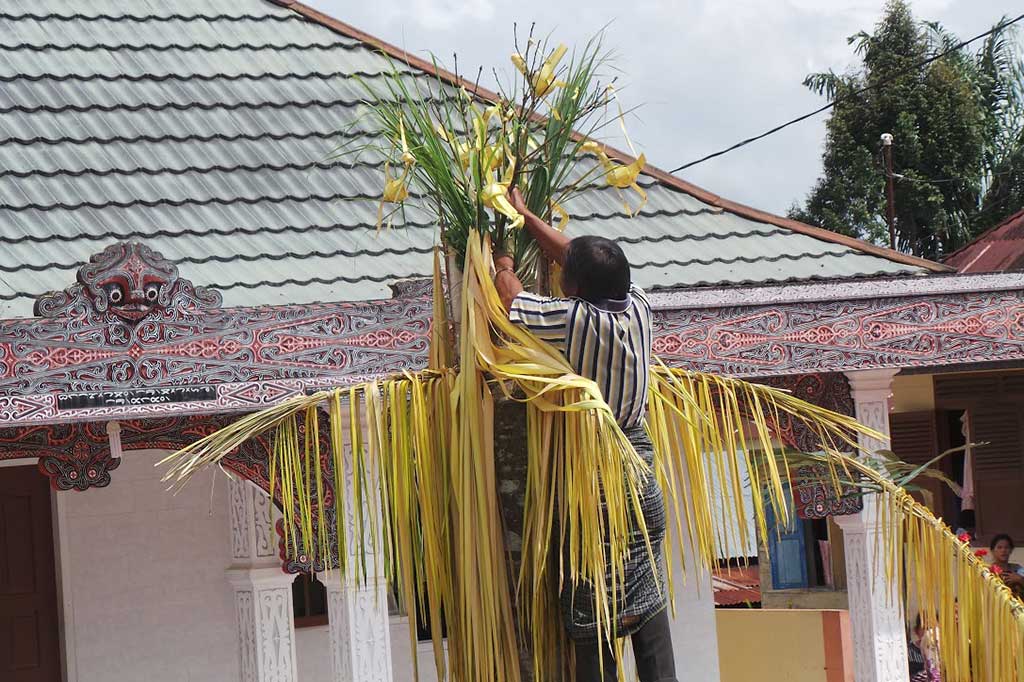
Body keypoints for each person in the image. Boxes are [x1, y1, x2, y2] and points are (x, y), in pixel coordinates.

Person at [493, 187, 677, 682]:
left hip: (592, 482)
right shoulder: (638, 307)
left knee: (591, 606)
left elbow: (511, 298)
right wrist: (528, 215)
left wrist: (504, 259)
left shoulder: (575, 321)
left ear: (573, 288)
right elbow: (578, 255)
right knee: (647, 595)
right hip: (640, 476)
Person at [989, 533, 1024, 599]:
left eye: (1007, 547)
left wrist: (1020, 580)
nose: (1003, 550)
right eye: (999, 547)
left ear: (1011, 550)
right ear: (993, 551)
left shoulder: (1018, 569)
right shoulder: (988, 571)